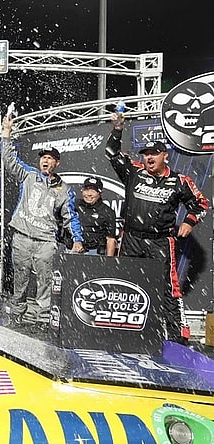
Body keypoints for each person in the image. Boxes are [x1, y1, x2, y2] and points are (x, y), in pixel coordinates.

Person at [105, 113, 210, 344]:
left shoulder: (179, 180)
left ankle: (177, 336)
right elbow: (111, 152)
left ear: (165, 156)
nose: (149, 158)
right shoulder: (134, 171)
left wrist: (190, 220)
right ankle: (122, 331)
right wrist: (118, 129)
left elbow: (201, 203)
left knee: (169, 288)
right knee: (125, 283)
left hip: (161, 241)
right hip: (132, 238)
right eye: (145, 154)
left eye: (154, 153)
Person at [1, 115, 84, 328]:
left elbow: (70, 216)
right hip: (22, 236)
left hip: (46, 241)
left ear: (57, 163)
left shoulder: (64, 189)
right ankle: (17, 312)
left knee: (45, 282)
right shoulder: (29, 175)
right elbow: (9, 161)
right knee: (20, 279)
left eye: (49, 158)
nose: (45, 160)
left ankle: (42, 317)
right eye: (42, 158)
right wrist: (6, 134)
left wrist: (77, 239)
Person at [63, 177, 117, 256]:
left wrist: (109, 262)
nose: (89, 194)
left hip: (94, 253)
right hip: (71, 250)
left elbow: (111, 240)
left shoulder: (107, 212)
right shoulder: (74, 205)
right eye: (86, 190)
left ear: (99, 192)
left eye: (93, 191)